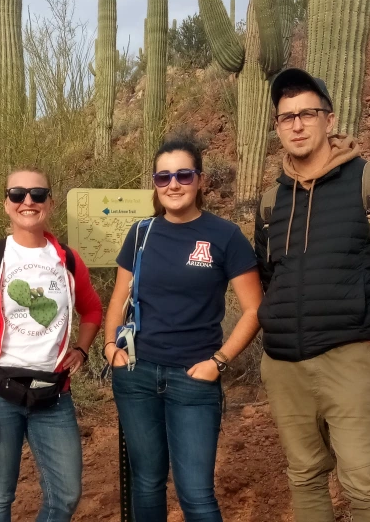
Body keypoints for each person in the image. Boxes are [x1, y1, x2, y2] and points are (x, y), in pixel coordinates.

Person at [254, 69, 370, 522]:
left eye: (307, 114)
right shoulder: (271, 202)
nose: (297, 125)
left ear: (330, 119)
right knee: (303, 475)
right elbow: (270, 278)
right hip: (284, 364)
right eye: (286, 118)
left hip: (352, 358)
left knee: (363, 481)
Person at [103, 136, 263, 522]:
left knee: (196, 495)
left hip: (195, 379)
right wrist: (110, 346)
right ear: (155, 184)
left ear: (201, 180)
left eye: (183, 175)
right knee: (147, 481)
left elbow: (255, 309)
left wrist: (220, 361)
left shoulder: (225, 236)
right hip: (137, 374)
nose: (173, 185)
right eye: (163, 177)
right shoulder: (141, 234)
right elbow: (118, 297)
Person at [0, 168, 103, 522]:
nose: (28, 201)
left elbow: (93, 309)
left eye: (38, 194)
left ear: (50, 203)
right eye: (18, 193)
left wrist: (81, 349)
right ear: (5, 203)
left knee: (66, 493)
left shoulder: (67, 259)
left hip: (53, 395)